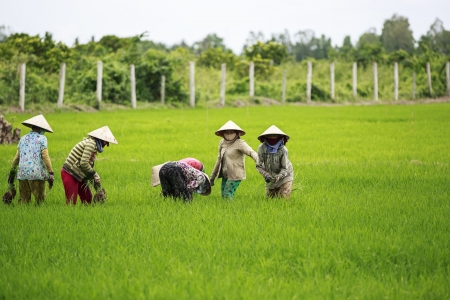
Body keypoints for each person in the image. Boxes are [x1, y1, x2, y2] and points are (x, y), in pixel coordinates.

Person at [61, 126, 118, 205]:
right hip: (70, 173)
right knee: (71, 202)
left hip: (79, 174)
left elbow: (88, 170)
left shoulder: (94, 146)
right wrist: (95, 174)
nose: (107, 144)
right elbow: (84, 163)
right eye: (106, 142)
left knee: (87, 198)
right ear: (101, 139)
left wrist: (98, 189)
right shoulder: (91, 144)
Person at [7, 114, 54, 205]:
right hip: (36, 173)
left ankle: (23, 216)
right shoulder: (42, 138)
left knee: (24, 201)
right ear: (40, 129)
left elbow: (16, 158)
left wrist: (12, 173)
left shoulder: (23, 138)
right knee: (39, 201)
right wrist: (51, 172)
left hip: (22, 173)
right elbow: (45, 156)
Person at [210, 120, 258, 199]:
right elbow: (219, 160)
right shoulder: (222, 143)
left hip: (235, 174)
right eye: (227, 132)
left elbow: (251, 152)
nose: (229, 134)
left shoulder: (240, 143)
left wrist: (259, 161)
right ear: (223, 133)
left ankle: (229, 209)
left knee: (227, 195)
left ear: (236, 133)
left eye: (231, 132)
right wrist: (212, 177)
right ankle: (225, 210)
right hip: (225, 174)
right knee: (223, 196)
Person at [256, 125, 294, 199]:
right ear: (265, 137)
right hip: (270, 177)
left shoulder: (283, 150)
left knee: (283, 198)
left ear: (280, 137)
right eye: (270, 136)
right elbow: (259, 165)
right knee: (270, 198)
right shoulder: (261, 148)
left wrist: (279, 176)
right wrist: (266, 174)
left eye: (275, 136)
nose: (272, 138)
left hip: (285, 176)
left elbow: (285, 168)